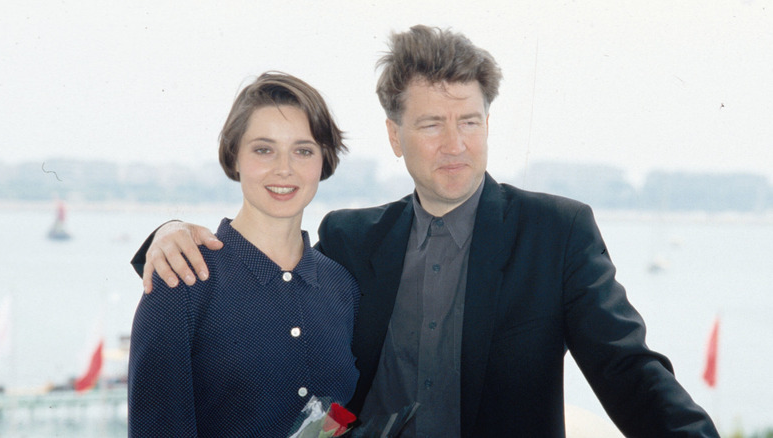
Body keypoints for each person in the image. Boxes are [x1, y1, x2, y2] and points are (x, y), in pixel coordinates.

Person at [131, 26, 719, 437]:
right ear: (394, 136)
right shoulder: (351, 241)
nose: (455, 143)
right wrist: (167, 234)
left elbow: (629, 370)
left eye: (469, 120)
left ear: (488, 123)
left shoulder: (556, 233)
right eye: (432, 124)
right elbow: (262, 286)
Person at [127, 72, 359, 437]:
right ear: (234, 156)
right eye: (264, 149)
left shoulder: (342, 288)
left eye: (303, 150)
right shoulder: (183, 280)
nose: (285, 168)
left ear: (323, 160)